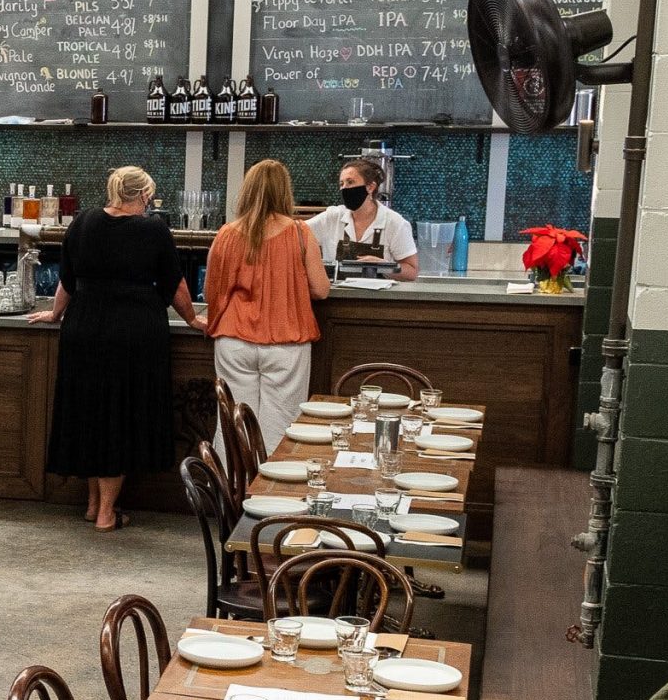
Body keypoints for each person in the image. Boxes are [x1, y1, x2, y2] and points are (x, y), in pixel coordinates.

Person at [29, 166, 202, 531]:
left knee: (91, 415)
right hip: (133, 332)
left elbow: (67, 280)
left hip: (84, 327)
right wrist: (193, 319)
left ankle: (94, 504)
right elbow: (175, 285)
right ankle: (107, 514)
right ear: (143, 196)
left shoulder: (83, 222)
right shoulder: (153, 229)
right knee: (119, 419)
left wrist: (56, 314)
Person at [205, 158, 332, 450]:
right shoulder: (300, 233)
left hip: (234, 340)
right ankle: (271, 480)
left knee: (233, 425)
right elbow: (321, 289)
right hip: (286, 342)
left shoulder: (226, 233)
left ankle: (232, 480)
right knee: (281, 426)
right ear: (284, 191)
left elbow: (212, 291)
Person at [307, 154, 419, 281]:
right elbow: (295, 233)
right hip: (338, 293)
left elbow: (412, 272)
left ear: (370, 187)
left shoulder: (395, 223)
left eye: (350, 182)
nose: (344, 188)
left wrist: (383, 266)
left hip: (379, 294)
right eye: (342, 184)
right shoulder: (332, 217)